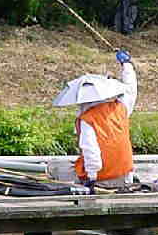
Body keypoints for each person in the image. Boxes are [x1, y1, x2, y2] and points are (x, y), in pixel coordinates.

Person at [51, 50, 138, 190]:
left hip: (102, 180)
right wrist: (127, 64)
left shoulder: (87, 120)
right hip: (125, 176)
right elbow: (131, 89)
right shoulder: (120, 109)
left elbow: (92, 153)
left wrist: (91, 180)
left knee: (54, 167)